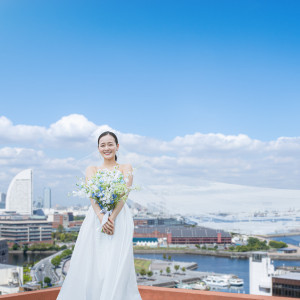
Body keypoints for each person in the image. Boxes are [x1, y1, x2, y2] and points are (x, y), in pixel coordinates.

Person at [57, 131, 142, 300]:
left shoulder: (126, 167)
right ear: (98, 149)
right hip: (95, 219)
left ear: (117, 147)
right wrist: (102, 217)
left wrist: (112, 217)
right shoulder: (92, 169)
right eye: (102, 145)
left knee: (117, 261)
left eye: (110, 144)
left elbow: (124, 195)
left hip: (120, 218)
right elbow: (92, 196)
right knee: (94, 260)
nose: (107, 148)